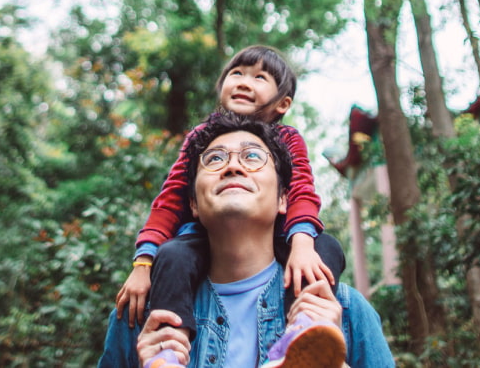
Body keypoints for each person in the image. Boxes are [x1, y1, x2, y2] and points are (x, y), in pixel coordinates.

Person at [98, 113, 394, 367]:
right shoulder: (140, 319)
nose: (232, 167)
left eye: (252, 156)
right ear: (194, 206)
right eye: (214, 159)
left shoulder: (346, 311)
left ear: (283, 199)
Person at [115, 46, 347, 346]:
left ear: (283, 103)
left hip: (277, 234)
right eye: (236, 73)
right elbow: (170, 199)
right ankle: (167, 347)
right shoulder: (201, 138)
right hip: (204, 237)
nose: (243, 82)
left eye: (260, 77)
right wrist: (143, 262)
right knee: (171, 256)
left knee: (324, 247)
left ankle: (303, 329)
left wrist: (302, 242)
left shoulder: (287, 139)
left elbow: (301, 189)